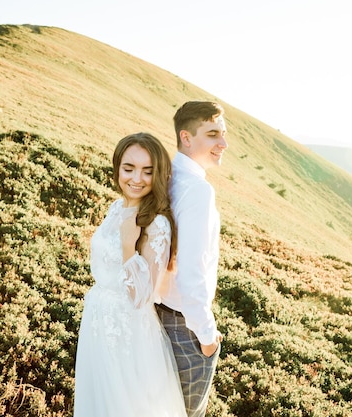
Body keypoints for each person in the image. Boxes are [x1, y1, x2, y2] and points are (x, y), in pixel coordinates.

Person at [73, 132, 187, 417]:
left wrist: (128, 247)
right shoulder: (116, 207)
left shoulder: (157, 224)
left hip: (128, 331)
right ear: (117, 169)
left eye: (148, 171)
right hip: (98, 318)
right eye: (129, 168)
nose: (137, 178)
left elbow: (141, 297)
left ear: (158, 175)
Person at [155, 101, 227, 417]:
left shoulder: (165, 177)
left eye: (222, 135)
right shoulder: (197, 190)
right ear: (186, 137)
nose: (223, 144)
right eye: (212, 134)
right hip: (185, 328)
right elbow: (192, 271)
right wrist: (207, 337)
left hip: (157, 315)